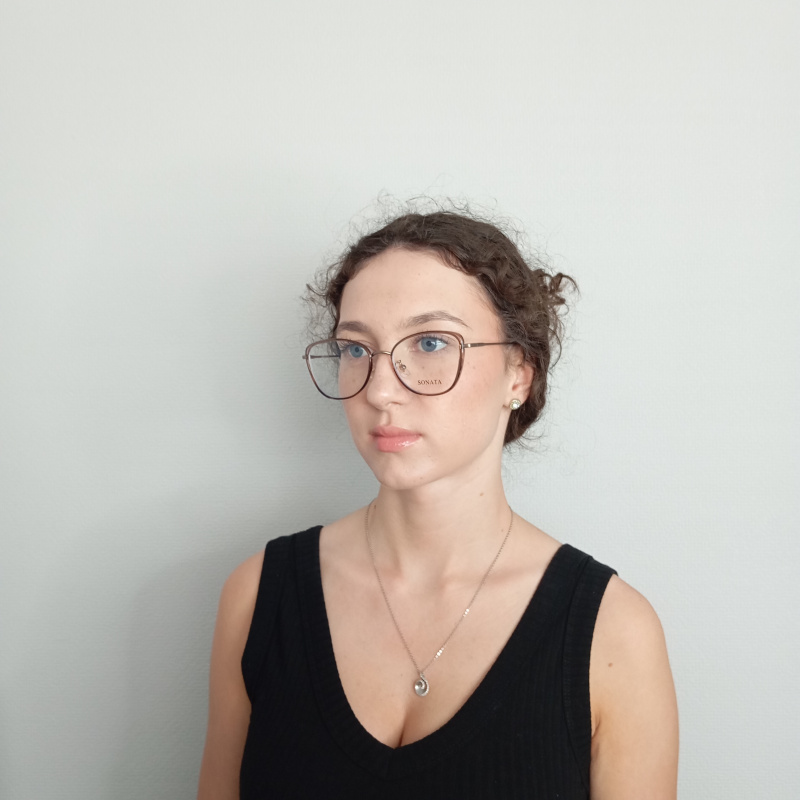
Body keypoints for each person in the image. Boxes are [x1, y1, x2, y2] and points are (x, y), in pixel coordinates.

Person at [197, 208, 679, 799]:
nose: (380, 390)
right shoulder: (256, 598)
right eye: (356, 349)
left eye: (430, 343)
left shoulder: (615, 633)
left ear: (518, 374)